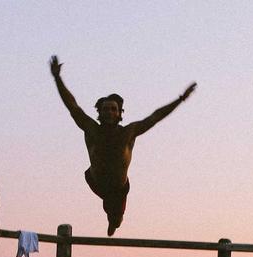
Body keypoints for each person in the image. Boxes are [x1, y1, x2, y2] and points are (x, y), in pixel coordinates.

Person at [49, 55, 196, 236]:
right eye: (105, 109)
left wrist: (180, 99)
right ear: (99, 113)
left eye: (113, 109)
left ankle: (113, 221)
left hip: (118, 189)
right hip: (96, 182)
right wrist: (57, 78)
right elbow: (73, 106)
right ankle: (111, 216)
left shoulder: (128, 132)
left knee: (116, 219)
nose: (109, 112)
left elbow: (155, 116)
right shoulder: (91, 129)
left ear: (120, 114)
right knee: (109, 206)